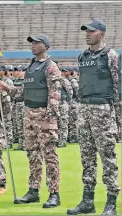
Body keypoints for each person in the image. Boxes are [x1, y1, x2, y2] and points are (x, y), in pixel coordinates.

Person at [0, 34, 62, 208]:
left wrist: (50, 117)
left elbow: (55, 94)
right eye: (32, 43)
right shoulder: (32, 66)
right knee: (32, 154)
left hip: (44, 116)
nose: (32, 45)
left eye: (36, 43)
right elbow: (23, 92)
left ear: (45, 46)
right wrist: (6, 87)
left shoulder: (51, 67)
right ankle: (33, 190)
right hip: (29, 115)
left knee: (49, 155)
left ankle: (54, 193)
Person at [67, 18, 120, 215]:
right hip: (84, 111)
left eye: (91, 31)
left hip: (103, 111)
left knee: (108, 158)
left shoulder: (111, 56)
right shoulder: (82, 57)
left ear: (101, 34)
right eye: (86, 31)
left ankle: (111, 202)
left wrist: (118, 119)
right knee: (87, 158)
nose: (87, 34)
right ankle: (87, 201)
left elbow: (118, 88)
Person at [0, 65, 14, 149]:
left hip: (6, 103)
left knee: (7, 123)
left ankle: (9, 141)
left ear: (3, 71)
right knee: (1, 123)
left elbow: (11, 92)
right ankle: (3, 141)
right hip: (0, 104)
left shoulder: (8, 81)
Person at [57, 66, 73, 148]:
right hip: (54, 104)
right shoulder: (51, 80)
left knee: (63, 122)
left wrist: (67, 101)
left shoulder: (63, 80)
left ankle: (62, 141)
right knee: (56, 123)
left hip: (62, 103)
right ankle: (56, 140)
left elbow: (70, 92)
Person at [13, 65, 26, 151]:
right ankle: (21, 143)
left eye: (19, 70)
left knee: (24, 123)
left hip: (23, 103)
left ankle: (26, 143)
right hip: (17, 103)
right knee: (19, 124)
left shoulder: (26, 81)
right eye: (17, 70)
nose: (18, 72)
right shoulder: (16, 81)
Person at [68, 66, 79, 143]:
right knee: (71, 121)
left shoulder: (73, 81)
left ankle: (74, 137)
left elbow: (77, 92)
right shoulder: (70, 80)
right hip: (71, 102)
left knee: (74, 121)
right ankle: (71, 137)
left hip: (74, 102)